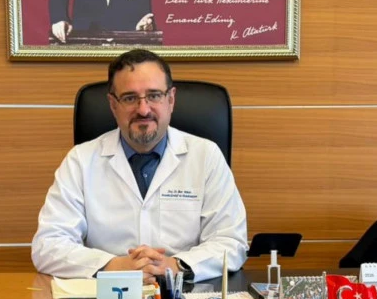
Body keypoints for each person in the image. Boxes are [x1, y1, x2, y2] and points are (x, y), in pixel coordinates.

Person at [31, 49, 248, 283]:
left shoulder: (206, 156)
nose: (143, 110)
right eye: (129, 98)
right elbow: (48, 246)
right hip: (108, 293)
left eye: (154, 95)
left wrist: (175, 265)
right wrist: (113, 266)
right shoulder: (81, 161)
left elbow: (231, 242)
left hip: (185, 292)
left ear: (171, 99)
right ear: (113, 105)